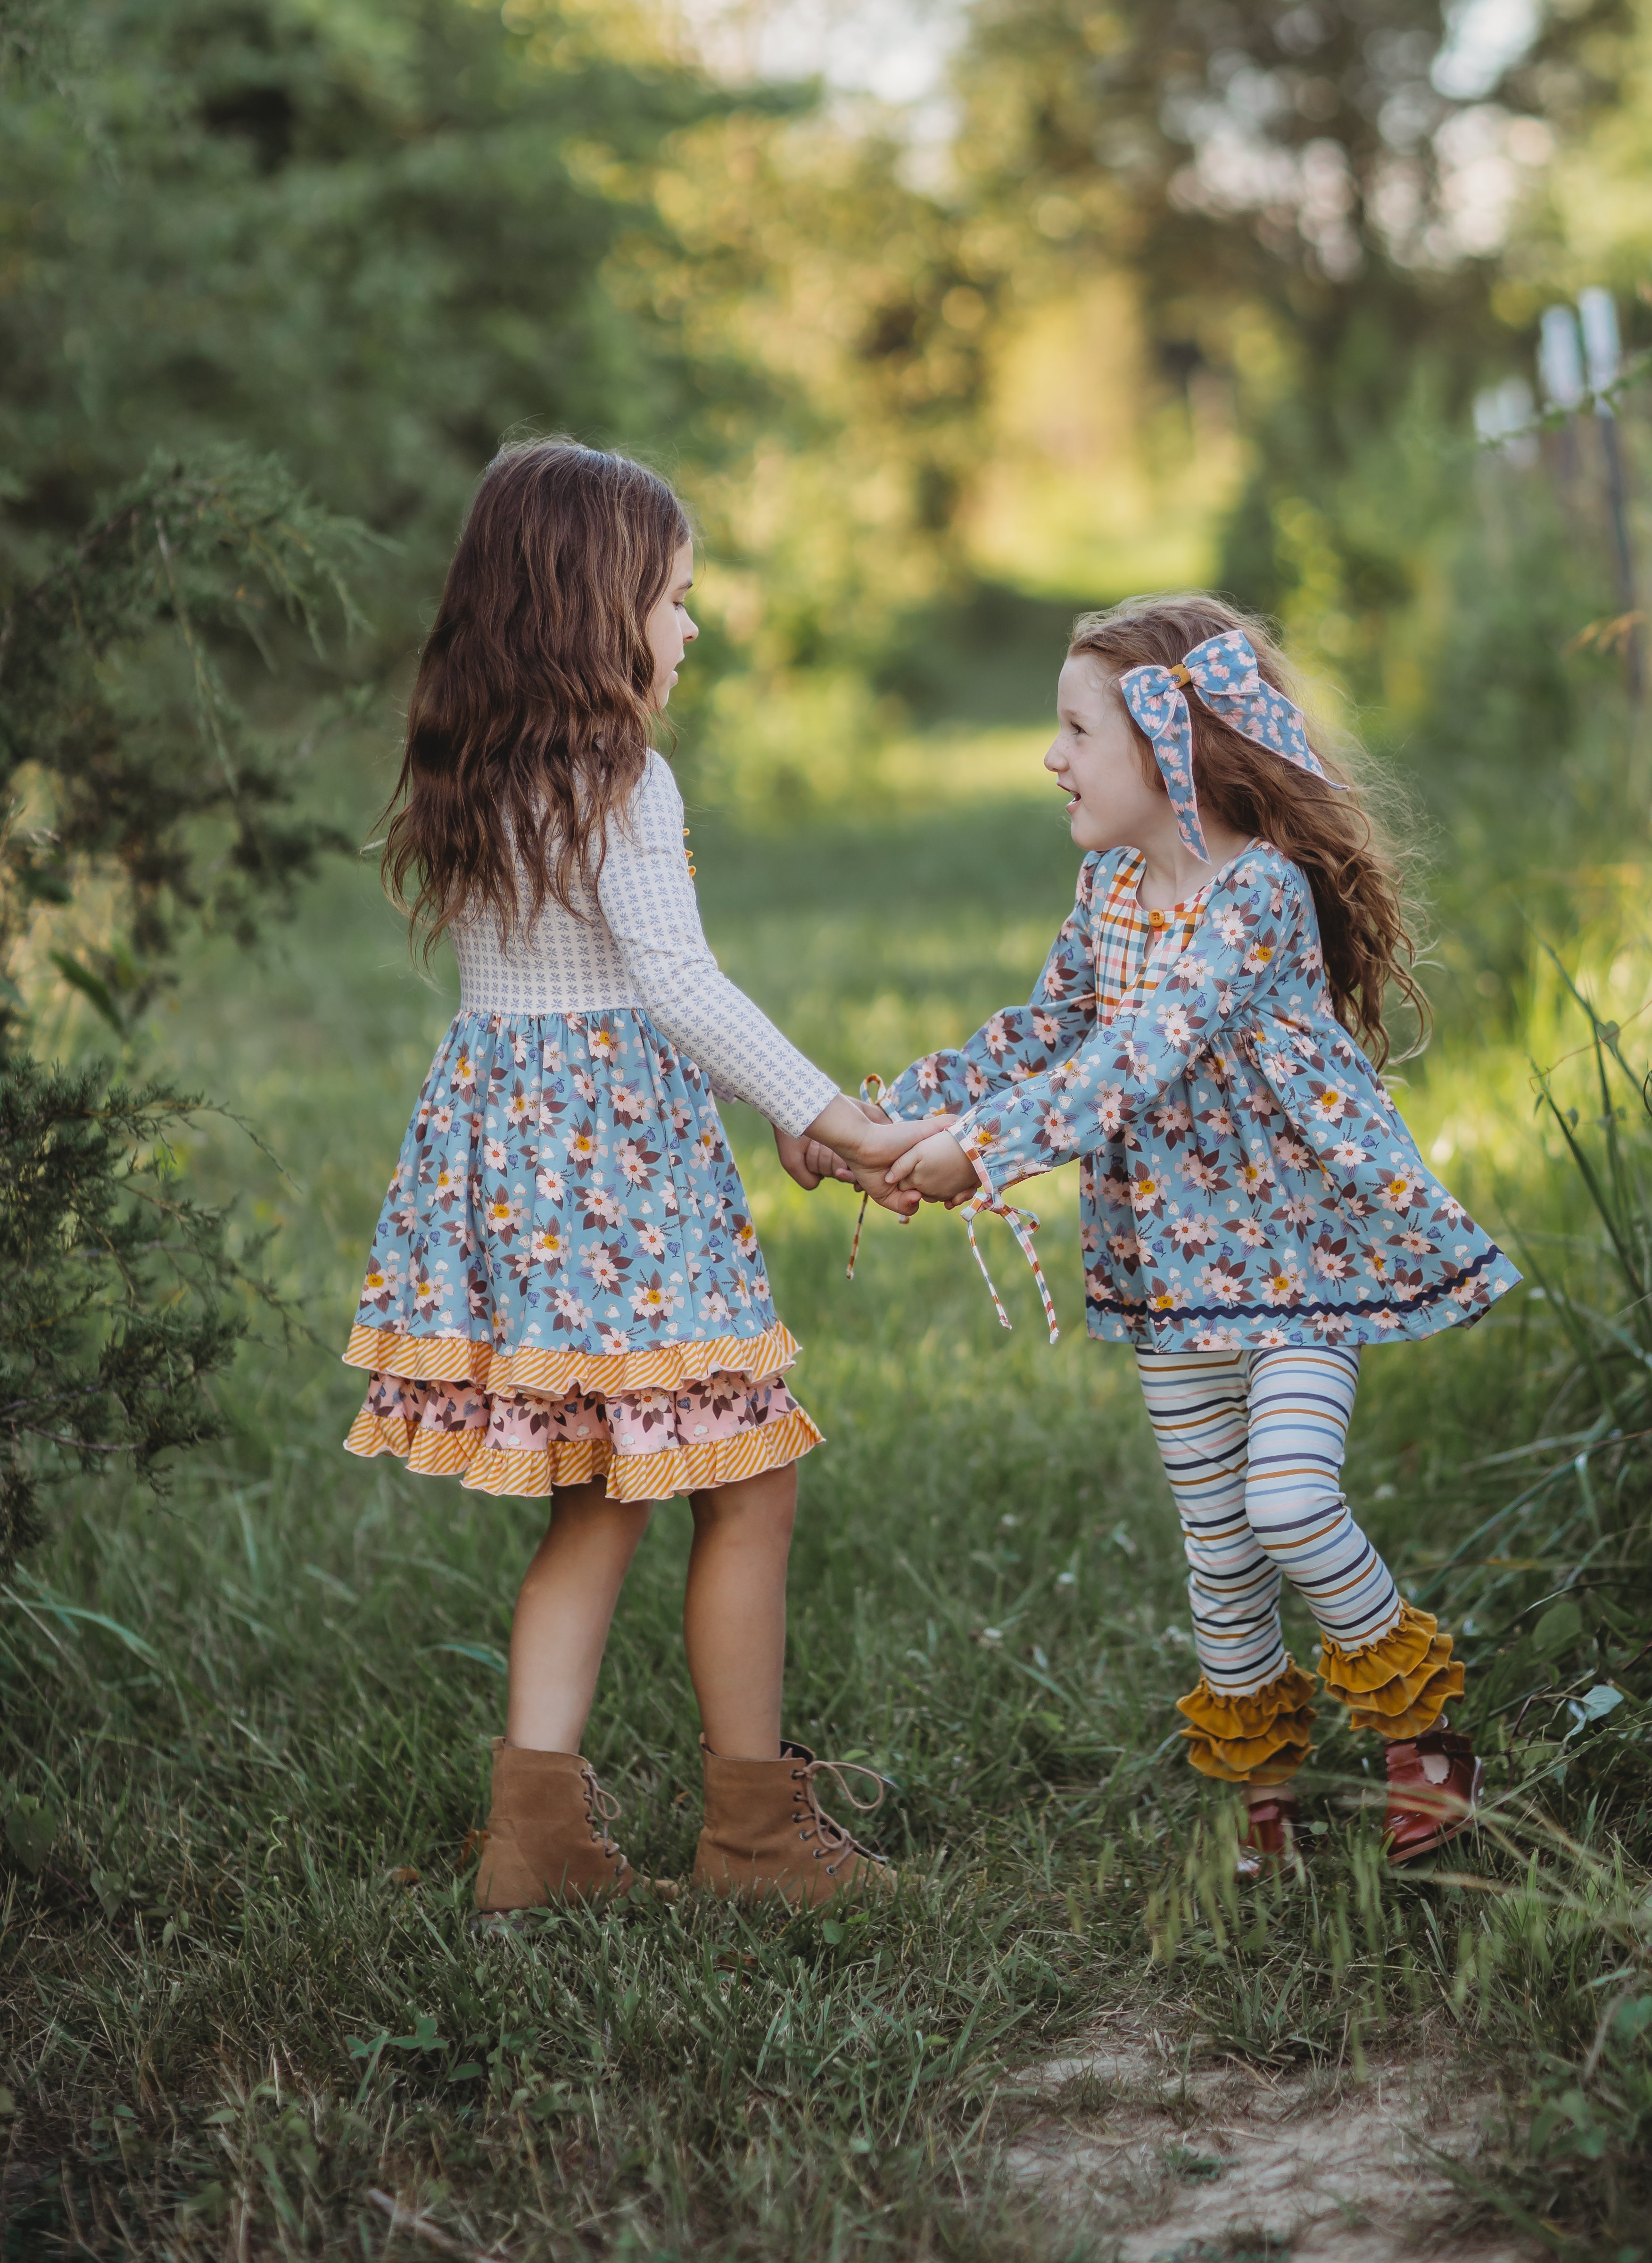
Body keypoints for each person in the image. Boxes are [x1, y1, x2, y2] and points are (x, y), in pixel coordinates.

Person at [832, 595, 1520, 1869]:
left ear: (1173, 742)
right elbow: (1050, 1032)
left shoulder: (1257, 895)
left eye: (1076, 729)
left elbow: (1144, 1053)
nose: (1053, 758)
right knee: (1219, 1553)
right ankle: (1267, 1799)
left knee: (1290, 1501)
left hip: (1305, 1270)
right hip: (1171, 1283)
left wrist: (983, 1149)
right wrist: (879, 1114)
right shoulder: (1107, 887)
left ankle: (1423, 1735)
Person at [343, 439, 894, 1915]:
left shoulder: (482, 767)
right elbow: (675, 985)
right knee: (752, 1479)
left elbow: (606, 992)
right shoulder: (623, 778)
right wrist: (832, 1114)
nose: (692, 626)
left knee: (598, 1501)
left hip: (524, 1171)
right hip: (620, 1184)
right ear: (598, 605)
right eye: (674, 597)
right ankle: (755, 1840)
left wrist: (770, 1106)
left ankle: (532, 1845)